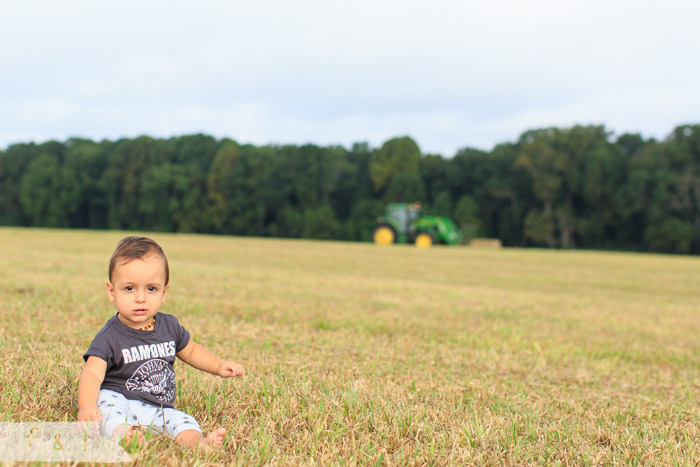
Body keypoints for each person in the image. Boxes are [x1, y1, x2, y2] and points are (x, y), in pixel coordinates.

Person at [77, 236, 244, 449]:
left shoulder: (169, 326)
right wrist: (87, 406)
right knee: (108, 411)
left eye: (151, 289)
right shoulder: (109, 335)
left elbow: (191, 351)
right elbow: (92, 373)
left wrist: (218, 366)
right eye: (129, 288)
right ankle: (124, 435)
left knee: (181, 421)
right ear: (112, 291)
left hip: (158, 405)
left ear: (164, 292)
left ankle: (200, 444)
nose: (140, 298)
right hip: (119, 399)